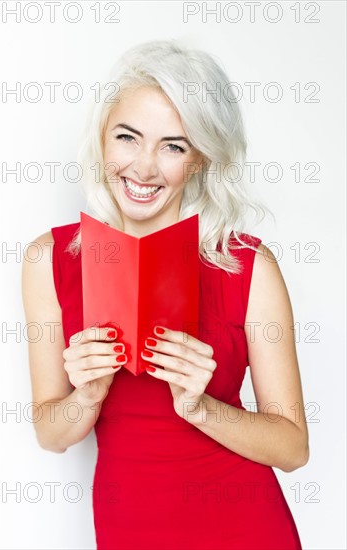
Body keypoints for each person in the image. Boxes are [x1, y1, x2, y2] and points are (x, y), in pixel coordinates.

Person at [22, 39, 309, 550]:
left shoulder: (248, 265)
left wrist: (201, 408)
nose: (145, 167)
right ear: (103, 139)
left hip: (243, 525)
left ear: (199, 158)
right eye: (128, 137)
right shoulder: (50, 259)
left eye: (173, 146)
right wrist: (87, 395)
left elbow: (292, 449)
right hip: (128, 529)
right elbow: (50, 432)